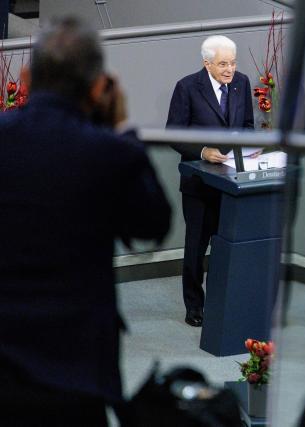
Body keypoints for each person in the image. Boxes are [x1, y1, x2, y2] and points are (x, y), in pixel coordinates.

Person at [0, 17, 171, 425]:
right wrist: (124, 128)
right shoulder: (111, 154)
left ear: (25, 77)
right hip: (74, 373)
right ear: (98, 88)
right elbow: (153, 224)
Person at [166, 35, 254, 327]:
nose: (230, 69)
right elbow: (173, 134)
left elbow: (249, 127)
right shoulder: (187, 87)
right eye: (223, 64)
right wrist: (203, 152)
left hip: (231, 182)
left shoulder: (241, 84)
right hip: (199, 184)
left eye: (233, 62)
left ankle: (220, 302)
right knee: (196, 247)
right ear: (207, 64)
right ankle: (194, 306)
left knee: (225, 246)